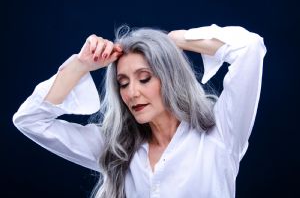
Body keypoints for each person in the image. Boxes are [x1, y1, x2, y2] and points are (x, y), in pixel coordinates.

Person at [13, 24, 266, 198]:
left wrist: (174, 40)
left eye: (144, 78)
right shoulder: (116, 148)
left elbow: (250, 48)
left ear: (171, 78)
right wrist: (82, 64)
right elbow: (30, 120)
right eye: (123, 83)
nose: (132, 93)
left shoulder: (220, 135)